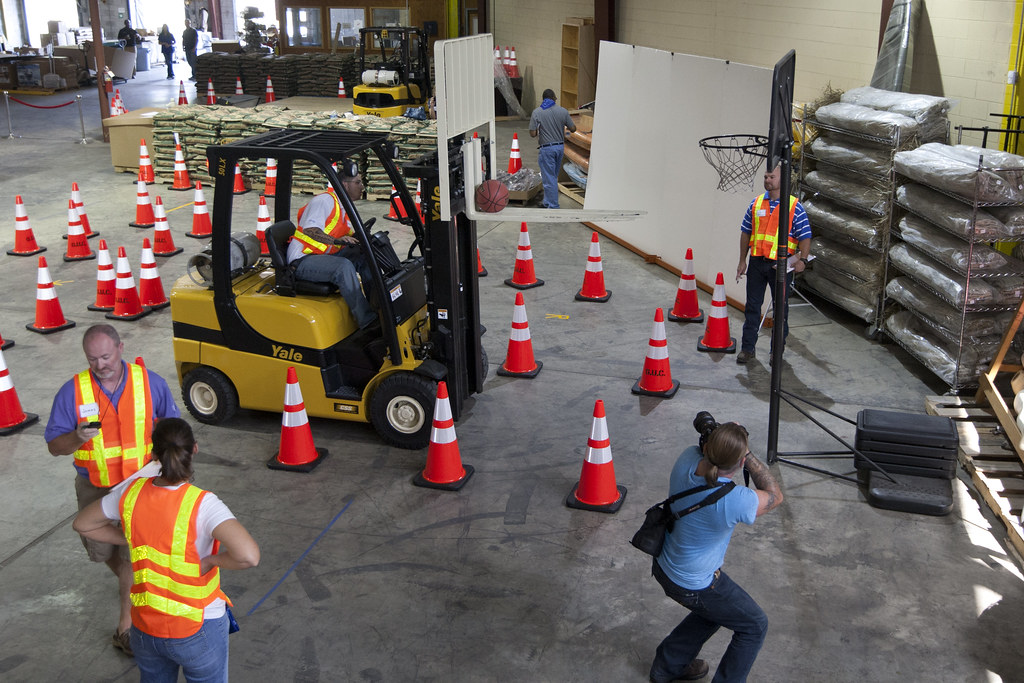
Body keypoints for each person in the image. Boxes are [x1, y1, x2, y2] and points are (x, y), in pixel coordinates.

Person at [73, 418, 260, 681]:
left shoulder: (130, 494)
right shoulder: (203, 504)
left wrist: (132, 537)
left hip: (145, 629)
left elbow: (83, 524)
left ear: (153, 455)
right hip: (197, 626)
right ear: (194, 449)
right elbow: (248, 556)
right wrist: (210, 561)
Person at [45, 324, 180, 657]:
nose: (100, 365)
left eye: (106, 356)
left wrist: (176, 465)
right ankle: (134, 579)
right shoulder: (72, 392)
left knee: (134, 554)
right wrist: (77, 437)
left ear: (121, 347)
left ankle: (125, 629)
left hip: (142, 486)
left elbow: (174, 428)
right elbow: (55, 447)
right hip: (96, 488)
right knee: (104, 553)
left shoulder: (150, 383)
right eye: (92, 359)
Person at [650, 422, 784, 683]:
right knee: (754, 625)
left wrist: (722, 439)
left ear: (707, 448)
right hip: (693, 583)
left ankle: (667, 666)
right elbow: (775, 496)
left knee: (717, 611)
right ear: (740, 462)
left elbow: (704, 453)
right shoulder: (736, 500)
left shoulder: (686, 459)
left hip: (664, 564)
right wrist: (746, 453)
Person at [735, 164, 812, 365]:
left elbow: (805, 236)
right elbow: (746, 232)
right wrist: (742, 260)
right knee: (752, 307)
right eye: (766, 177)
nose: (767, 180)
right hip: (756, 264)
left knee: (780, 311)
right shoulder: (756, 204)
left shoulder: (794, 207)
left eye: (772, 177)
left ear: (783, 179)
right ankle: (747, 349)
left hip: (781, 267)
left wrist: (803, 260)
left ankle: (776, 353)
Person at [286, 166, 377, 329]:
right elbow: (310, 230)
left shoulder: (344, 207)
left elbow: (348, 234)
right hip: (303, 260)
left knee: (365, 256)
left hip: (322, 257)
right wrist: (336, 241)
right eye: (358, 182)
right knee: (343, 267)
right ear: (345, 185)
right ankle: (368, 322)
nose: (362, 187)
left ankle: (378, 305)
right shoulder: (324, 201)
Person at [529, 88, 576, 209]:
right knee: (552, 176)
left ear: (543, 99)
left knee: (549, 178)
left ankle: (553, 206)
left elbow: (532, 133)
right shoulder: (563, 111)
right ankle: (547, 202)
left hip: (547, 149)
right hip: (560, 148)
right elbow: (573, 129)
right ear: (554, 98)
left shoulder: (537, 112)